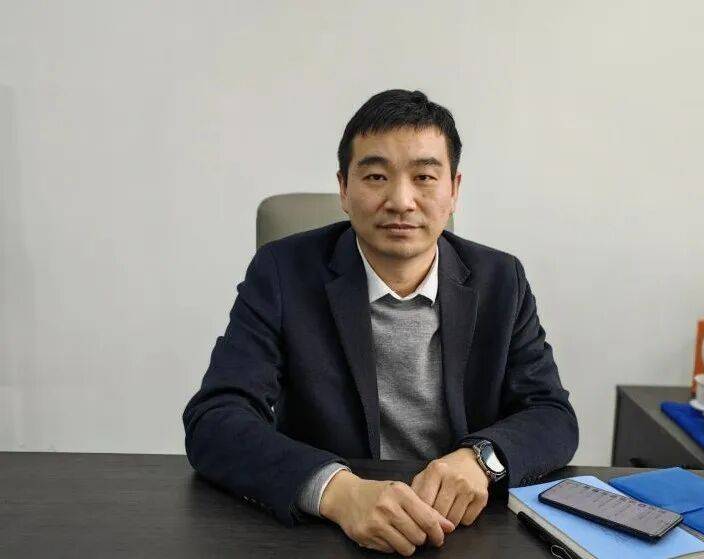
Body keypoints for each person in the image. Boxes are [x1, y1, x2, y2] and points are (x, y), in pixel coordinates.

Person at [182, 89, 578, 556]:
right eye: (375, 176)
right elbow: (215, 419)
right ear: (344, 189)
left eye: (424, 177)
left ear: (454, 189)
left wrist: (481, 460)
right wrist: (336, 490)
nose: (401, 201)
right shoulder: (282, 273)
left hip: (462, 531)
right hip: (330, 533)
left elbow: (552, 414)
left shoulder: (501, 279)